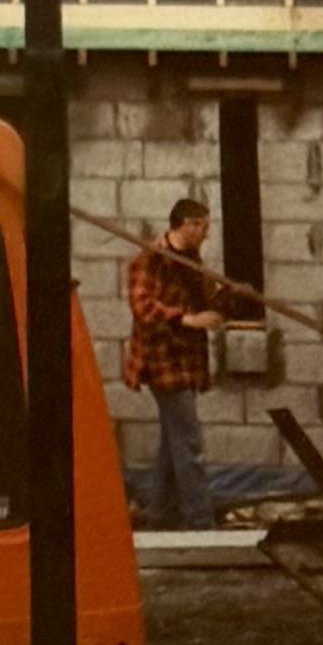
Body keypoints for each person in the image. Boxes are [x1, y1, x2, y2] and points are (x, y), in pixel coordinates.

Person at [124, 197, 232, 531]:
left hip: (186, 362)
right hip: (163, 362)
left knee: (173, 446)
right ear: (188, 224)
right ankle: (200, 521)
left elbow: (203, 304)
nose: (207, 234)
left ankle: (159, 513)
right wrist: (187, 320)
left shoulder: (192, 262)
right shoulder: (152, 260)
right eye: (204, 226)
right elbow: (142, 307)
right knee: (189, 444)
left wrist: (227, 294)